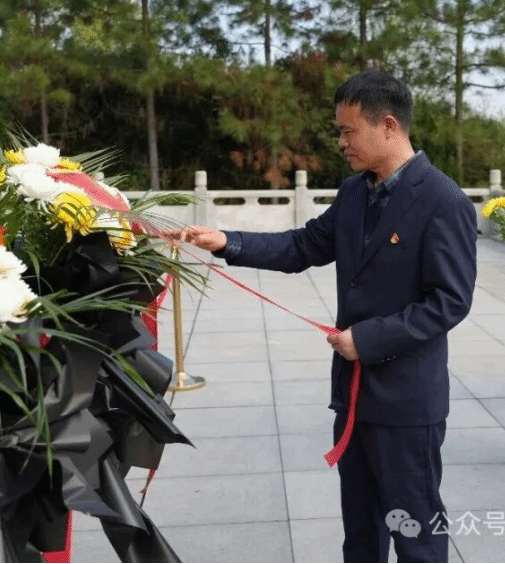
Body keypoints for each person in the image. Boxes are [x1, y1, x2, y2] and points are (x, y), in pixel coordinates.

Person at [172, 70, 478, 563]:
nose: (341, 142)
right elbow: (303, 245)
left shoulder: (443, 201)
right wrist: (228, 241)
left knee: (416, 536)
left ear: (389, 126)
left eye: (348, 131)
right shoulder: (355, 192)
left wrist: (369, 339)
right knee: (361, 534)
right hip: (353, 396)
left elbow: (450, 301)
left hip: (406, 403)